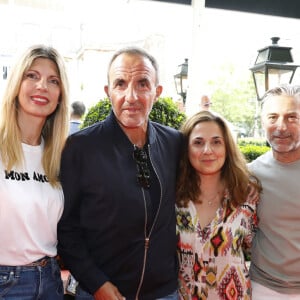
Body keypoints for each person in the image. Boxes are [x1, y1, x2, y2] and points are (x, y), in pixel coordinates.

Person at [57, 46, 182, 300]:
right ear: (108, 92)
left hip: (164, 293)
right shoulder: (81, 148)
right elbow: (66, 228)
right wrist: (97, 283)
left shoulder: (175, 143)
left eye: (143, 84)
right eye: (121, 84)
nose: (131, 96)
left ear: (157, 92)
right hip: (99, 293)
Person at [0, 44, 70, 299]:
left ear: (60, 95)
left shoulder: (60, 157)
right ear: (17, 83)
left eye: (53, 80)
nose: (42, 86)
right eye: (32, 76)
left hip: (50, 281)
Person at [176, 110, 261, 299]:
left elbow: (258, 251)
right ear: (186, 149)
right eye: (198, 142)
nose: (207, 150)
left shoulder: (246, 196)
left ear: (227, 148)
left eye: (216, 142)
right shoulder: (173, 198)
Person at [248, 84, 300, 299]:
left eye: (292, 117)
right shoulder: (251, 175)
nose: (281, 127)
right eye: (272, 117)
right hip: (263, 288)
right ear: (262, 122)